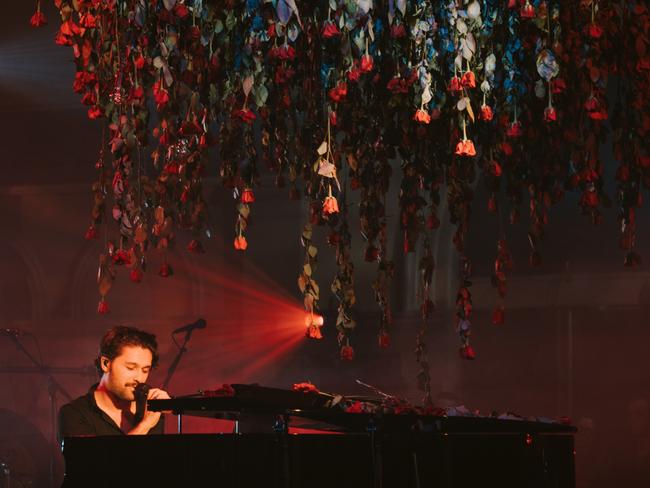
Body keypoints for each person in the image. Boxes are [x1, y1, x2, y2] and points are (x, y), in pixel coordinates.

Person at [58, 326, 171, 438]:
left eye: (145, 370)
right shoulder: (74, 414)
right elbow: (97, 456)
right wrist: (145, 426)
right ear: (106, 364)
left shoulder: (149, 411)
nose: (139, 377)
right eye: (130, 368)